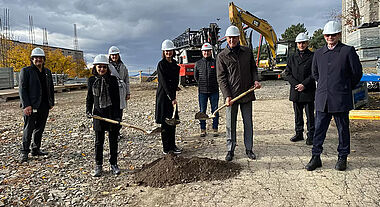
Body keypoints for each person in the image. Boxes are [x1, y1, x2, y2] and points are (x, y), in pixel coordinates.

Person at [305, 21, 363, 171]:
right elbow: (315, 73)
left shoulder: (347, 51)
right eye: (327, 35)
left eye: (333, 34)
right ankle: (316, 156)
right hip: (322, 99)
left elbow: (357, 73)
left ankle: (342, 157)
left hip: (341, 98)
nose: (330, 37)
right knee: (319, 129)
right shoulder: (318, 53)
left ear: (339, 35)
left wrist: (344, 86)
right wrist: (325, 86)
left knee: (343, 130)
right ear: (324, 36)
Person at [216, 25, 261, 161]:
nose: (232, 40)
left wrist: (256, 80)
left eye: (234, 38)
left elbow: (253, 68)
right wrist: (227, 95)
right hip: (232, 96)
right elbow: (221, 78)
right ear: (226, 39)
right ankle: (230, 150)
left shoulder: (247, 52)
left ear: (238, 38)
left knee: (248, 123)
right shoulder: (222, 56)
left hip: (247, 93)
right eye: (230, 38)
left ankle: (249, 149)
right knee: (230, 124)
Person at [86, 54, 121, 177]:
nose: (102, 69)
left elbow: (117, 100)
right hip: (98, 115)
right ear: (95, 67)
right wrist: (88, 111)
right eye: (99, 67)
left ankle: (113, 164)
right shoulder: (91, 80)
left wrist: (118, 116)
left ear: (108, 68)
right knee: (99, 142)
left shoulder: (112, 80)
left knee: (113, 141)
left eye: (104, 67)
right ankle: (98, 165)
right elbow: (89, 97)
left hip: (111, 115)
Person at [19, 47, 55, 163]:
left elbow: (50, 88)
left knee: (40, 128)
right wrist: (26, 105)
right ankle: (24, 152)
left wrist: (51, 102)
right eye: (36, 58)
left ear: (44, 59)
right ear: (32, 59)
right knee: (28, 129)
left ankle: (36, 149)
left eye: (40, 58)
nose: (38, 59)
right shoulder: (26, 71)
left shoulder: (47, 72)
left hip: (44, 105)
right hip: (31, 105)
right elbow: (22, 89)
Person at [284, 32, 315, 145]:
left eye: (303, 43)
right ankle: (299, 133)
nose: (301, 45)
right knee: (298, 115)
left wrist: (304, 84)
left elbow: (314, 73)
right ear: (296, 44)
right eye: (299, 43)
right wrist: (296, 84)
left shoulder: (313, 56)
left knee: (310, 115)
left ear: (307, 43)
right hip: (296, 90)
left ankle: (311, 135)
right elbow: (287, 73)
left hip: (308, 90)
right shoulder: (292, 58)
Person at [155, 39, 181, 154]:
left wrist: (175, 89)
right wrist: (172, 97)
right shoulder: (161, 65)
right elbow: (164, 82)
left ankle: (173, 145)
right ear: (163, 52)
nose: (168, 53)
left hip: (172, 97)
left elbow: (174, 81)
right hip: (164, 98)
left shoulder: (175, 64)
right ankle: (166, 148)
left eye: (170, 51)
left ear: (173, 51)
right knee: (165, 124)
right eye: (166, 51)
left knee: (173, 122)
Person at [194, 42, 219, 137]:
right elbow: (196, 77)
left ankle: (215, 129)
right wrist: (201, 84)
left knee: (215, 110)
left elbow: (219, 75)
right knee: (202, 111)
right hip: (202, 91)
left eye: (208, 51)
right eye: (204, 51)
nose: (206, 53)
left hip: (214, 90)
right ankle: (203, 129)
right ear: (202, 52)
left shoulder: (215, 62)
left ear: (211, 51)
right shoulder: (198, 64)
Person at [108, 46, 130, 140]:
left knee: (119, 114)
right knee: (111, 113)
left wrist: (128, 93)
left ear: (118, 55)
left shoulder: (123, 66)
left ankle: (117, 132)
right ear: (110, 56)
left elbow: (127, 80)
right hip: (112, 92)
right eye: (112, 55)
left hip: (121, 92)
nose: (114, 57)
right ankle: (112, 132)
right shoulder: (107, 66)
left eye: (115, 55)